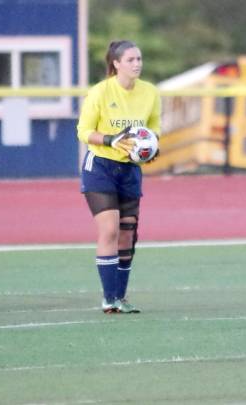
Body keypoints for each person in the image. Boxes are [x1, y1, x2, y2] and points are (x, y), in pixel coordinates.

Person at [76, 40, 160, 314]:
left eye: (139, 59)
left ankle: (120, 298)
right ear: (116, 64)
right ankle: (108, 298)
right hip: (100, 167)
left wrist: (151, 149)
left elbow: (153, 129)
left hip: (129, 171)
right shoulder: (101, 91)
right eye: (131, 59)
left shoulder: (150, 93)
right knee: (109, 231)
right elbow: (84, 131)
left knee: (127, 235)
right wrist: (111, 139)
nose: (137, 64)